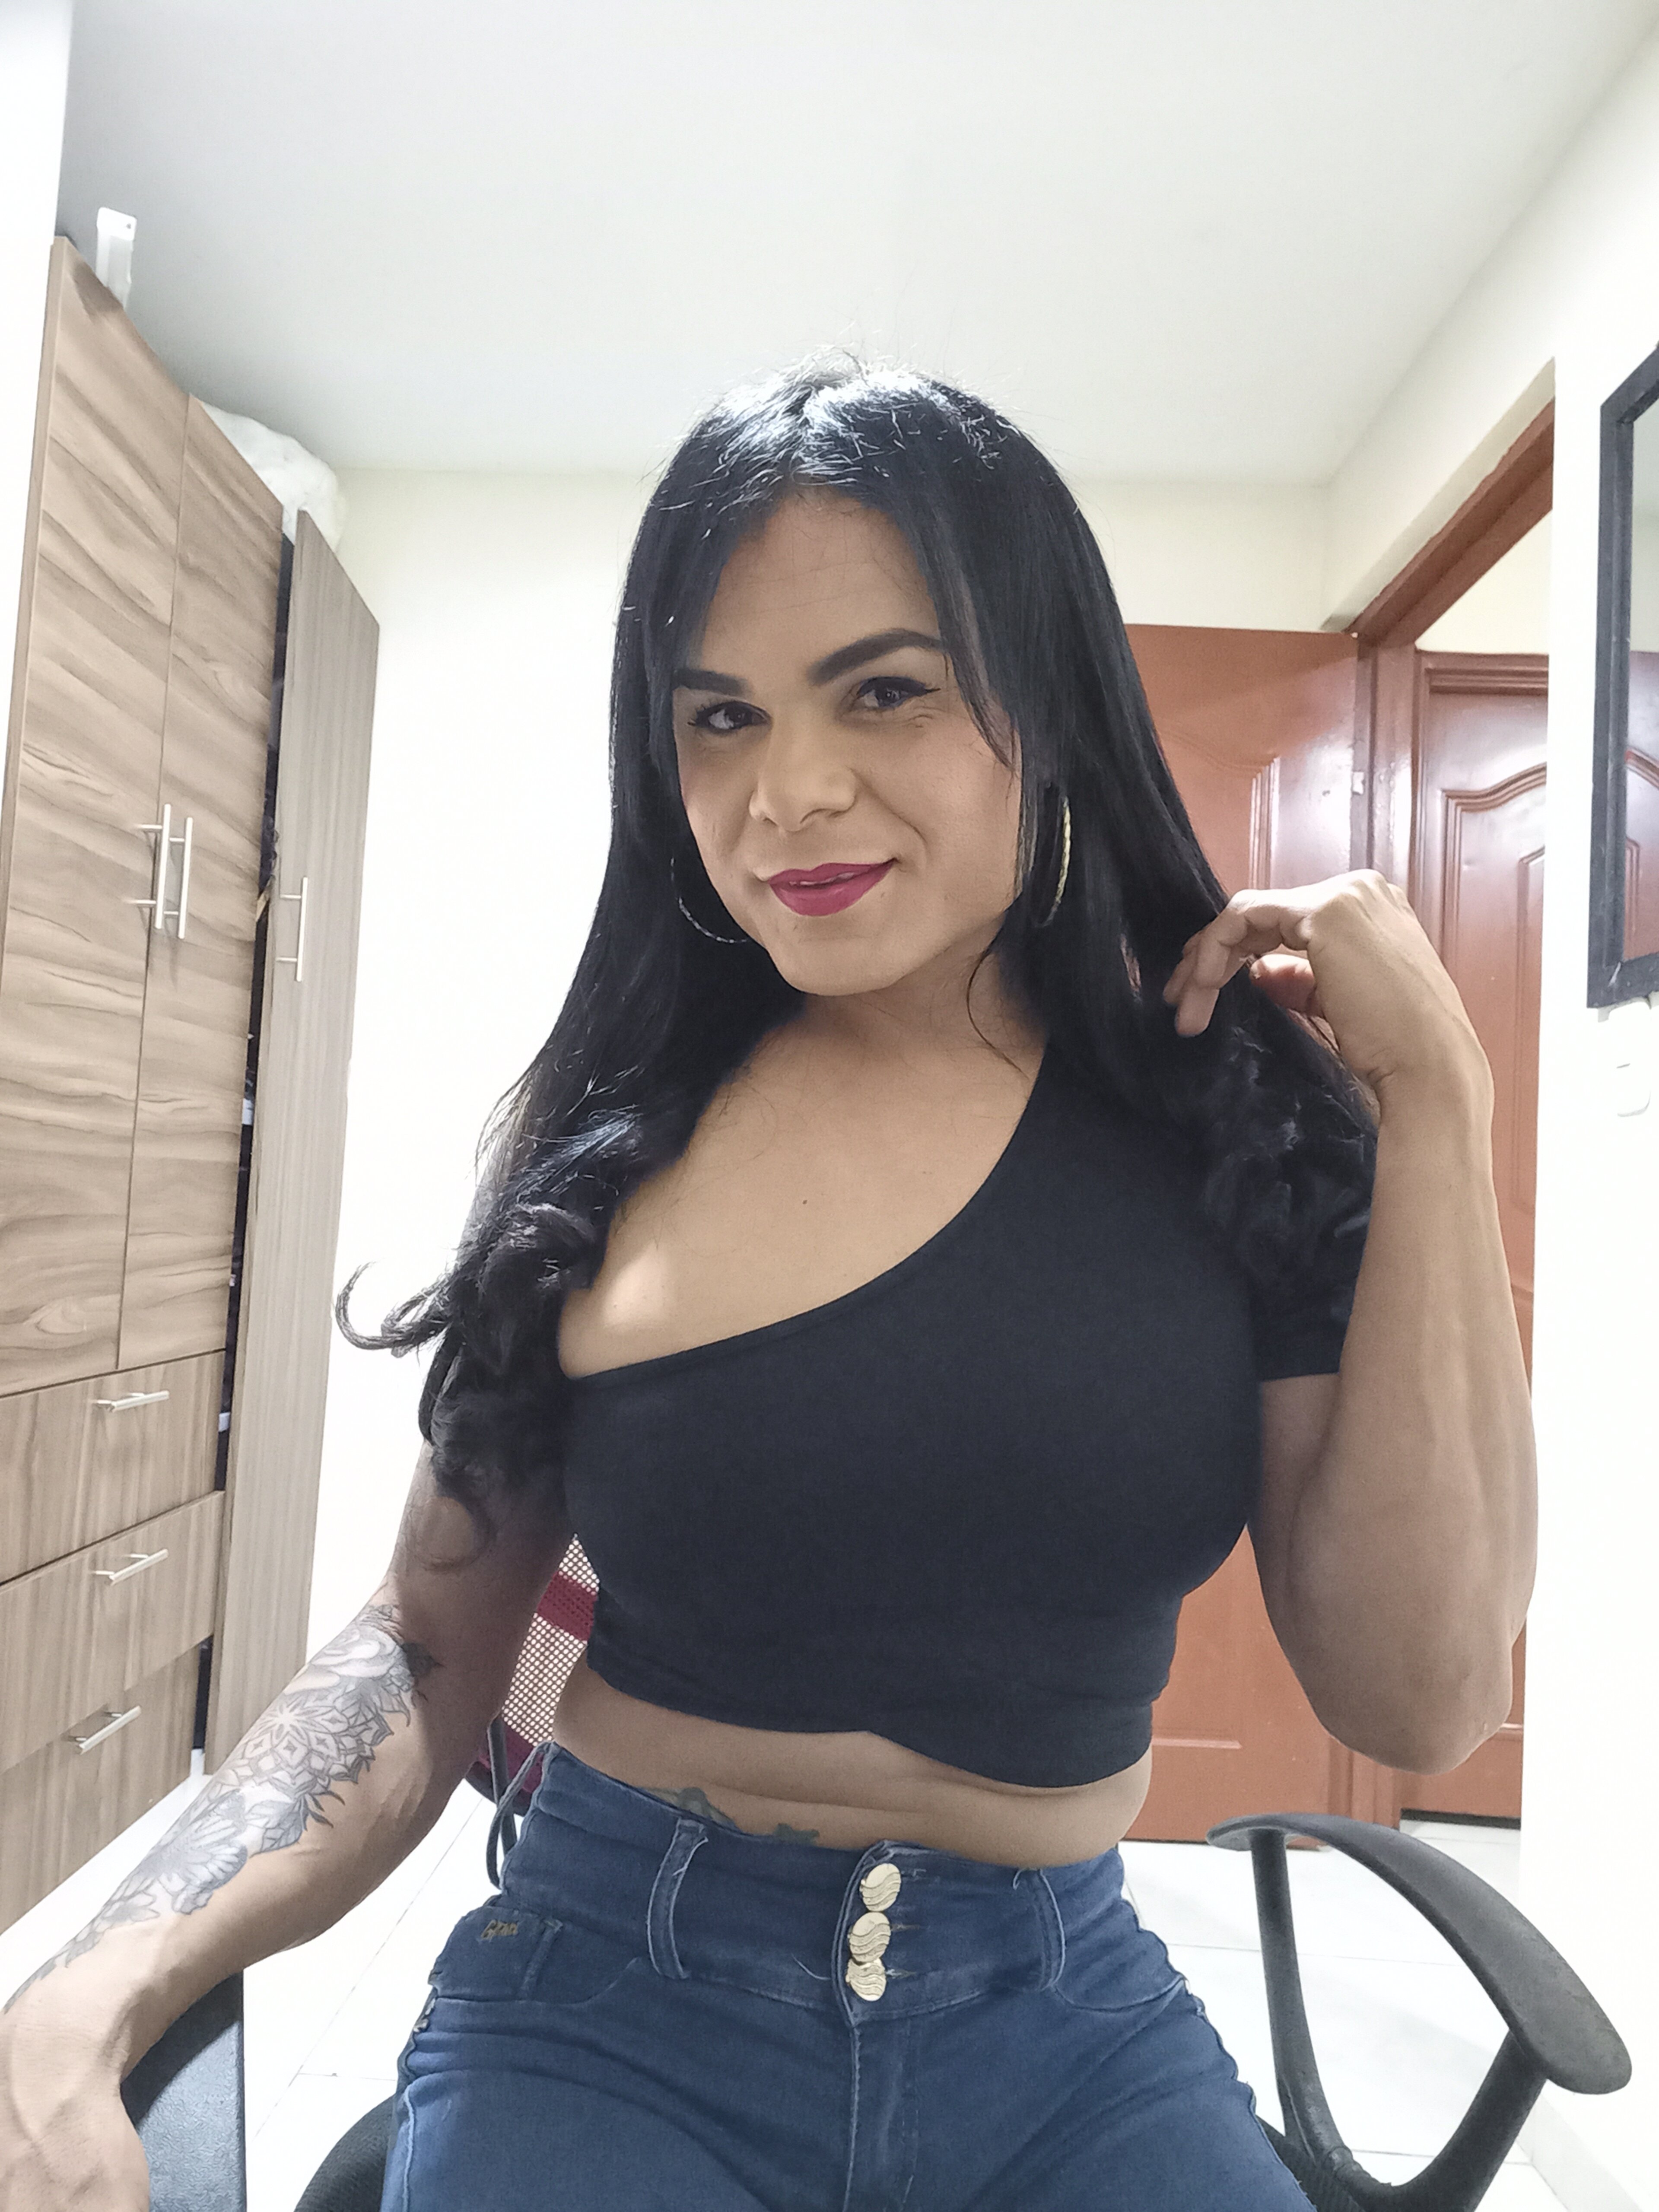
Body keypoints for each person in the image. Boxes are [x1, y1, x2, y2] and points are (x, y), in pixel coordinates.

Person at [0, 359, 1536, 2212]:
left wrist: (1441, 1100)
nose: (788, 792)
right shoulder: (612, 1144)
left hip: (1065, 2028)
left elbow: (1418, 1694)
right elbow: (422, 1649)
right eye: (719, 718)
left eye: (884, 689)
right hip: (615, 1999)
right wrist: (97, 1979)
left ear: (1049, 694)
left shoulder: (1241, 1126)